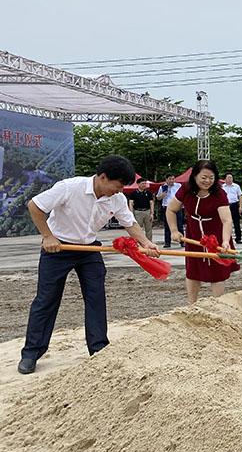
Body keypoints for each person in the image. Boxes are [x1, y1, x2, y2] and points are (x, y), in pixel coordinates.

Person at [19, 155, 160, 374]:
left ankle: (99, 349)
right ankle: (31, 353)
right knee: (46, 299)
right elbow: (35, 206)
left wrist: (147, 242)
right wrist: (47, 237)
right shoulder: (69, 188)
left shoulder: (117, 199)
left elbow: (129, 223)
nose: (120, 190)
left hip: (89, 249)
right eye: (118, 185)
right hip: (58, 248)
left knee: (96, 296)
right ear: (103, 177)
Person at [167, 160, 238, 304]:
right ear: (194, 176)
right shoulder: (186, 189)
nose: (207, 181)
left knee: (217, 271)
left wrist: (225, 241)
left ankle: (218, 304)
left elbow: (227, 220)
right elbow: (171, 209)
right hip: (194, 235)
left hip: (216, 236)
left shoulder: (219, 193)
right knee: (193, 271)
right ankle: (192, 304)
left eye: (211, 178)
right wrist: (174, 230)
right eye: (204, 177)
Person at [156, 174, 184, 248]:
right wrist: (163, 195)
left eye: (173, 179)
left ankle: (182, 241)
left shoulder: (178, 186)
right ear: (166, 179)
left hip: (177, 207)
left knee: (179, 225)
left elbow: (183, 195)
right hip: (167, 207)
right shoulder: (162, 187)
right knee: (167, 226)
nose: (172, 180)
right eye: (170, 179)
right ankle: (167, 243)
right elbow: (158, 198)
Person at [222, 173, 242, 244]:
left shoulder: (236, 186)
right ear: (225, 179)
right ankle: (226, 239)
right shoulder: (222, 187)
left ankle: (238, 238)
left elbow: (240, 197)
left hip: (234, 205)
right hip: (225, 206)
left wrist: (240, 207)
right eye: (228, 178)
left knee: (236, 222)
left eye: (231, 177)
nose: (230, 179)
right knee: (226, 222)